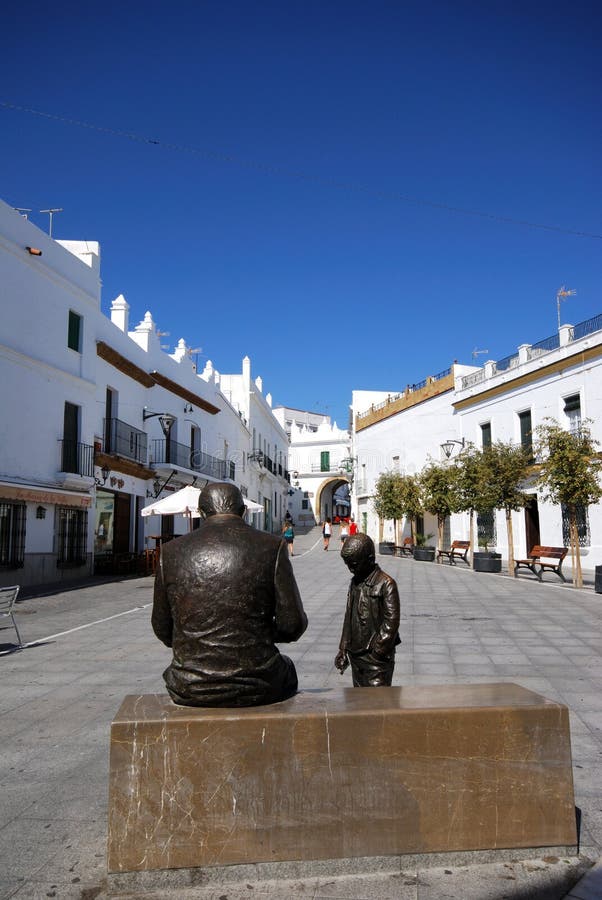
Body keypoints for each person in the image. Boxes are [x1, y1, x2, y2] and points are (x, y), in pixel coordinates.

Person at [152, 482, 308, 707]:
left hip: (189, 685)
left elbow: (162, 628)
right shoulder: (272, 546)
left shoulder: (169, 552)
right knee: (287, 668)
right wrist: (254, 633)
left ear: (201, 513)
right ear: (243, 512)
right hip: (260, 682)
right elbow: (293, 625)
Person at [334, 533, 400, 687]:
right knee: (358, 701)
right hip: (356, 655)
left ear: (370, 559)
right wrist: (343, 649)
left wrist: (378, 650)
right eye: (348, 565)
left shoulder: (386, 584)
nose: (351, 569)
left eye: (354, 564)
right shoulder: (355, 582)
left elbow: (392, 622)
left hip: (376, 659)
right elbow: (348, 617)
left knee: (377, 702)